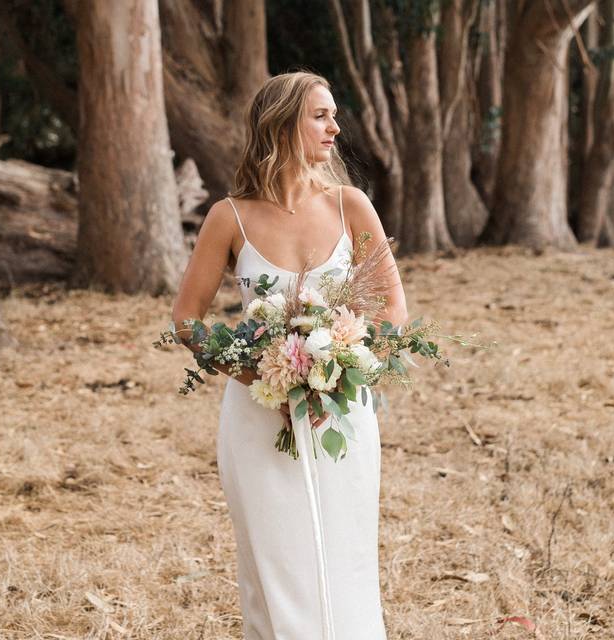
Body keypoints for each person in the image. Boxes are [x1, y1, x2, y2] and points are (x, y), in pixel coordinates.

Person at [171, 71, 407, 639]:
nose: (335, 127)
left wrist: (344, 370)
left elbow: (393, 309)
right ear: (281, 125)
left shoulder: (351, 207)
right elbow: (186, 320)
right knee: (275, 563)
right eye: (319, 115)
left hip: (343, 412)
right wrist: (258, 372)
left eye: (333, 115)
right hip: (258, 415)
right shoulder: (229, 217)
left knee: (345, 559)